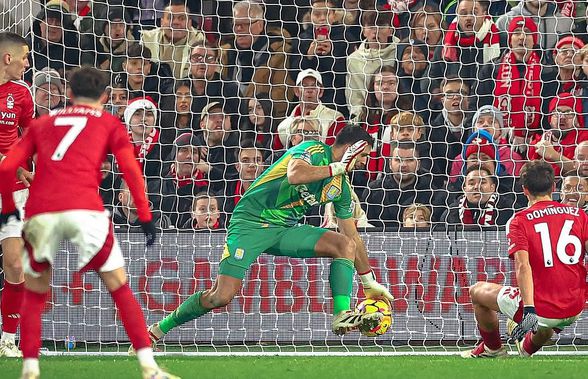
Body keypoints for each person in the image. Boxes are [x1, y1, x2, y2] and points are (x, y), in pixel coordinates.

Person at [141, 125, 394, 347]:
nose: (365, 162)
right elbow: (296, 175)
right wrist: (335, 167)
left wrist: (368, 281)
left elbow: (354, 237)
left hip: (284, 229)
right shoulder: (313, 150)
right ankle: (155, 331)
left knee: (343, 244)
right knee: (221, 296)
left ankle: (341, 314)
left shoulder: (341, 187)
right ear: (352, 148)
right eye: (364, 155)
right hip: (251, 222)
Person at [0, 67, 177, 378]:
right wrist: (146, 217)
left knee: (35, 291)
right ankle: (149, 368)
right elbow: (130, 170)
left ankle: (29, 368)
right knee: (119, 288)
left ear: (68, 95)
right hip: (87, 210)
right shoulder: (109, 122)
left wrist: (7, 210)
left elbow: (8, 167)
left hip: (42, 211)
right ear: (106, 97)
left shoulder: (43, 123)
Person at [462, 161, 587, 358]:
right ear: (554, 187)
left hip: (543, 310)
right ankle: (526, 349)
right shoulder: (579, 215)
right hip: (576, 307)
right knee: (546, 324)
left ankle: (493, 349)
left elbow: (523, 266)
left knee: (476, 291)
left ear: (524, 190)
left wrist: (529, 311)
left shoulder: (519, 220)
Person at [0, 31, 34, 358]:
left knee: (14, 265)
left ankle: (8, 340)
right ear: (7, 58)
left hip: (11, 192)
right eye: (24, 58)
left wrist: (27, 166)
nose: (27, 64)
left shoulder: (22, 93)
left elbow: (28, 134)